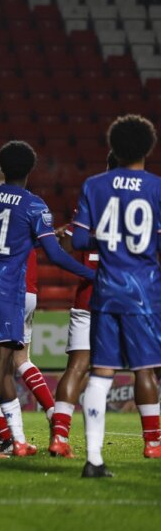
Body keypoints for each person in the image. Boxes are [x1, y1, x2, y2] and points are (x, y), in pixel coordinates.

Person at [0, 141, 95, 458]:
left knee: (5, 361)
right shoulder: (34, 205)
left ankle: (18, 438)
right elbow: (55, 254)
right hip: (8, 288)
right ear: (30, 170)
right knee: (1, 360)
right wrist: (92, 274)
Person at [71, 114, 161, 477]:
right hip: (143, 291)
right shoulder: (157, 187)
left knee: (101, 373)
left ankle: (93, 459)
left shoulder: (94, 185)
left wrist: (105, 241)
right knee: (145, 369)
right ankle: (153, 443)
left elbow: (78, 241)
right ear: (148, 148)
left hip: (105, 290)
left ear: (113, 147)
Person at [49, 151, 118, 458]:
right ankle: (153, 441)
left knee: (76, 367)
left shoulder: (91, 198)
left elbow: (67, 244)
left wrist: (64, 236)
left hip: (88, 295)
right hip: (126, 296)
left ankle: (59, 437)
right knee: (147, 370)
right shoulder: (145, 196)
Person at [0, 154, 55, 423]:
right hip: (29, 289)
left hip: (0, 289)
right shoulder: (29, 201)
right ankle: (53, 412)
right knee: (21, 359)